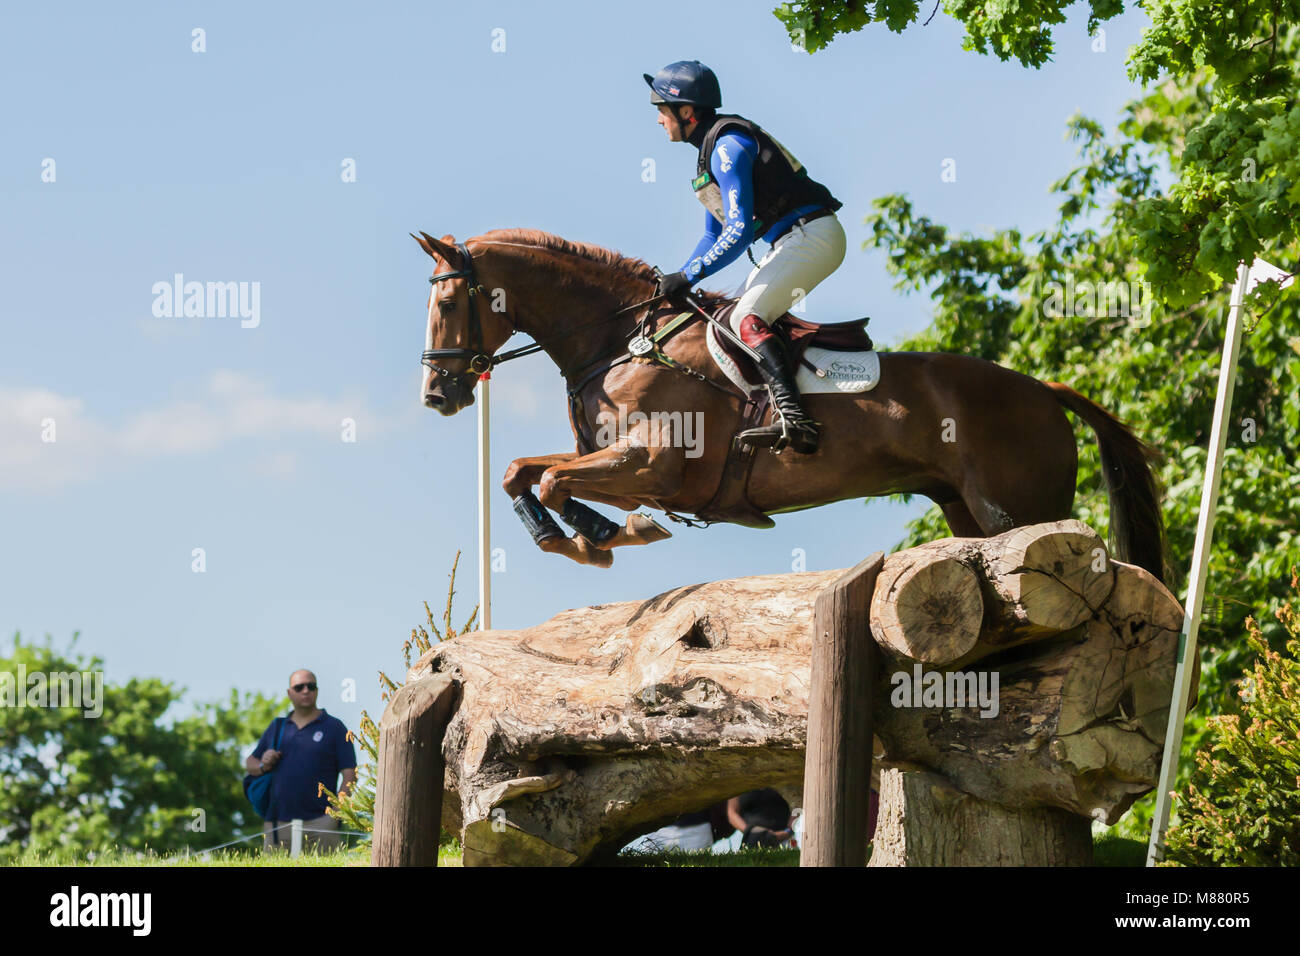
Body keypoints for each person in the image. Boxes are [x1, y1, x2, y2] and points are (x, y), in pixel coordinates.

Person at [646, 59, 846, 455]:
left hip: (812, 235)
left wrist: (689, 276)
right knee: (722, 321)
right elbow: (712, 234)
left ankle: (795, 418)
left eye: (662, 111)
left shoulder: (727, 148)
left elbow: (736, 235)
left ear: (687, 112)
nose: (659, 121)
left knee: (745, 318)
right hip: (792, 240)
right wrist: (681, 276)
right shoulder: (710, 156)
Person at [246, 669, 357, 853]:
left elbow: (350, 775)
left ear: (317, 690)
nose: (306, 691)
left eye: (311, 686)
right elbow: (250, 763)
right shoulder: (277, 726)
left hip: (322, 822)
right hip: (277, 823)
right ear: (290, 693)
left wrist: (336, 814)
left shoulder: (335, 727)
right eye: (299, 687)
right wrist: (263, 764)